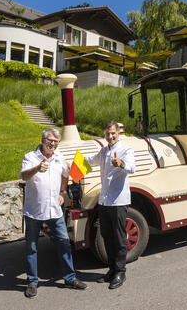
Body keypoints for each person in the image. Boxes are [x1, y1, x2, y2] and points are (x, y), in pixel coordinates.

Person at [20, 128, 87, 298]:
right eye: (50, 141)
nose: (53, 144)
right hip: (34, 211)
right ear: (43, 140)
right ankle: (32, 282)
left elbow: (65, 174)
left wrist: (63, 192)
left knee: (64, 243)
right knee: (31, 247)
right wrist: (37, 168)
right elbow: (24, 176)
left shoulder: (59, 157)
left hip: (55, 210)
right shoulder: (30, 157)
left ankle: (70, 278)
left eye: (56, 142)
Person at [86, 121, 135, 289]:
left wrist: (121, 164)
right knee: (107, 236)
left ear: (118, 133)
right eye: (107, 133)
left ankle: (120, 272)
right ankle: (112, 269)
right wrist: (70, 163)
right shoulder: (104, 150)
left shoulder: (125, 150)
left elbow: (132, 168)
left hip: (119, 201)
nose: (110, 136)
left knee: (120, 238)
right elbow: (89, 161)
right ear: (104, 134)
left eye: (113, 133)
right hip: (104, 201)